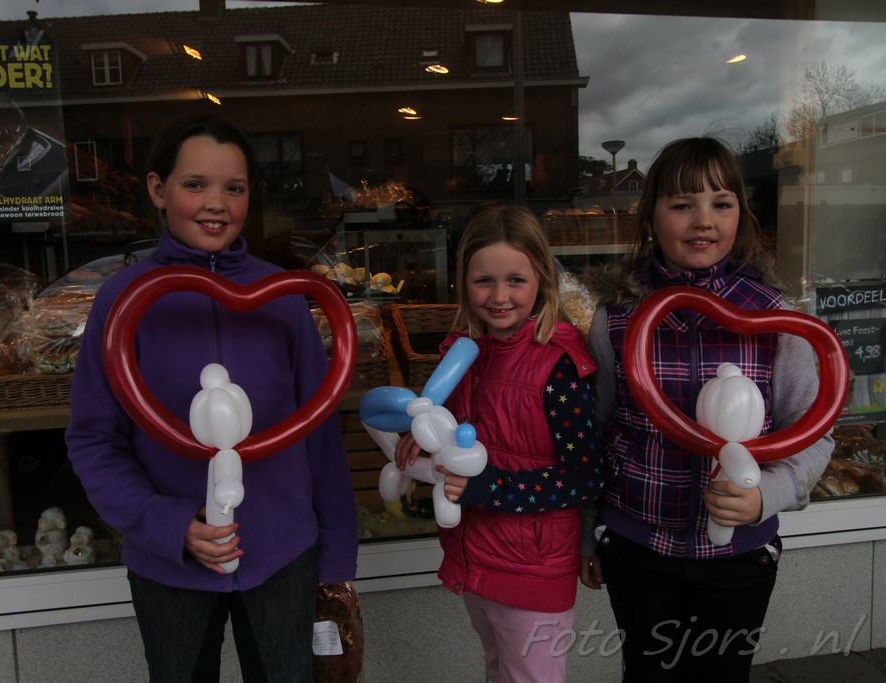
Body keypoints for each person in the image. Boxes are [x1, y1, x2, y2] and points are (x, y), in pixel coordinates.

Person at [64, 114, 358, 682]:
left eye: (235, 188)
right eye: (195, 184)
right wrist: (166, 524)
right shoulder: (122, 301)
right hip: (169, 563)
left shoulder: (283, 297)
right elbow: (95, 438)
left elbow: (319, 432)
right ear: (158, 189)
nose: (216, 204)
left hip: (282, 557)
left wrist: (336, 555)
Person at [578, 137, 834, 681]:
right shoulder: (616, 317)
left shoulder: (777, 321)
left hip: (739, 557)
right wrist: (587, 531)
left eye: (721, 203)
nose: (703, 220)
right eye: (682, 204)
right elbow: (597, 428)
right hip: (637, 547)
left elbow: (812, 433)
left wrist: (767, 496)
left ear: (741, 214)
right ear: (651, 216)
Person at [395, 204, 603, 683]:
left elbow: (583, 477)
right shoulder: (462, 354)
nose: (500, 296)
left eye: (516, 280)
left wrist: (490, 487)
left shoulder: (558, 367)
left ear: (542, 281)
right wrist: (420, 436)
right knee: (497, 670)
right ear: (463, 283)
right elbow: (455, 431)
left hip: (532, 571)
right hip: (476, 555)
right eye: (484, 281)